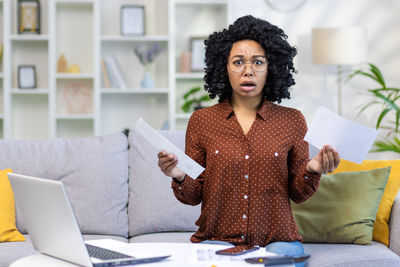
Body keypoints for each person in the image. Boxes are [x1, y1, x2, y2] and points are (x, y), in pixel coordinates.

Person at [158, 15, 340, 266]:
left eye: (258, 62)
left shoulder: (292, 120)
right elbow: (193, 195)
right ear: (224, 68)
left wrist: (313, 169)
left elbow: (298, 193)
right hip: (217, 240)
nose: (248, 70)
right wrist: (178, 174)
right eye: (238, 62)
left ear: (271, 67)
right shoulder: (202, 121)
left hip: (278, 241)